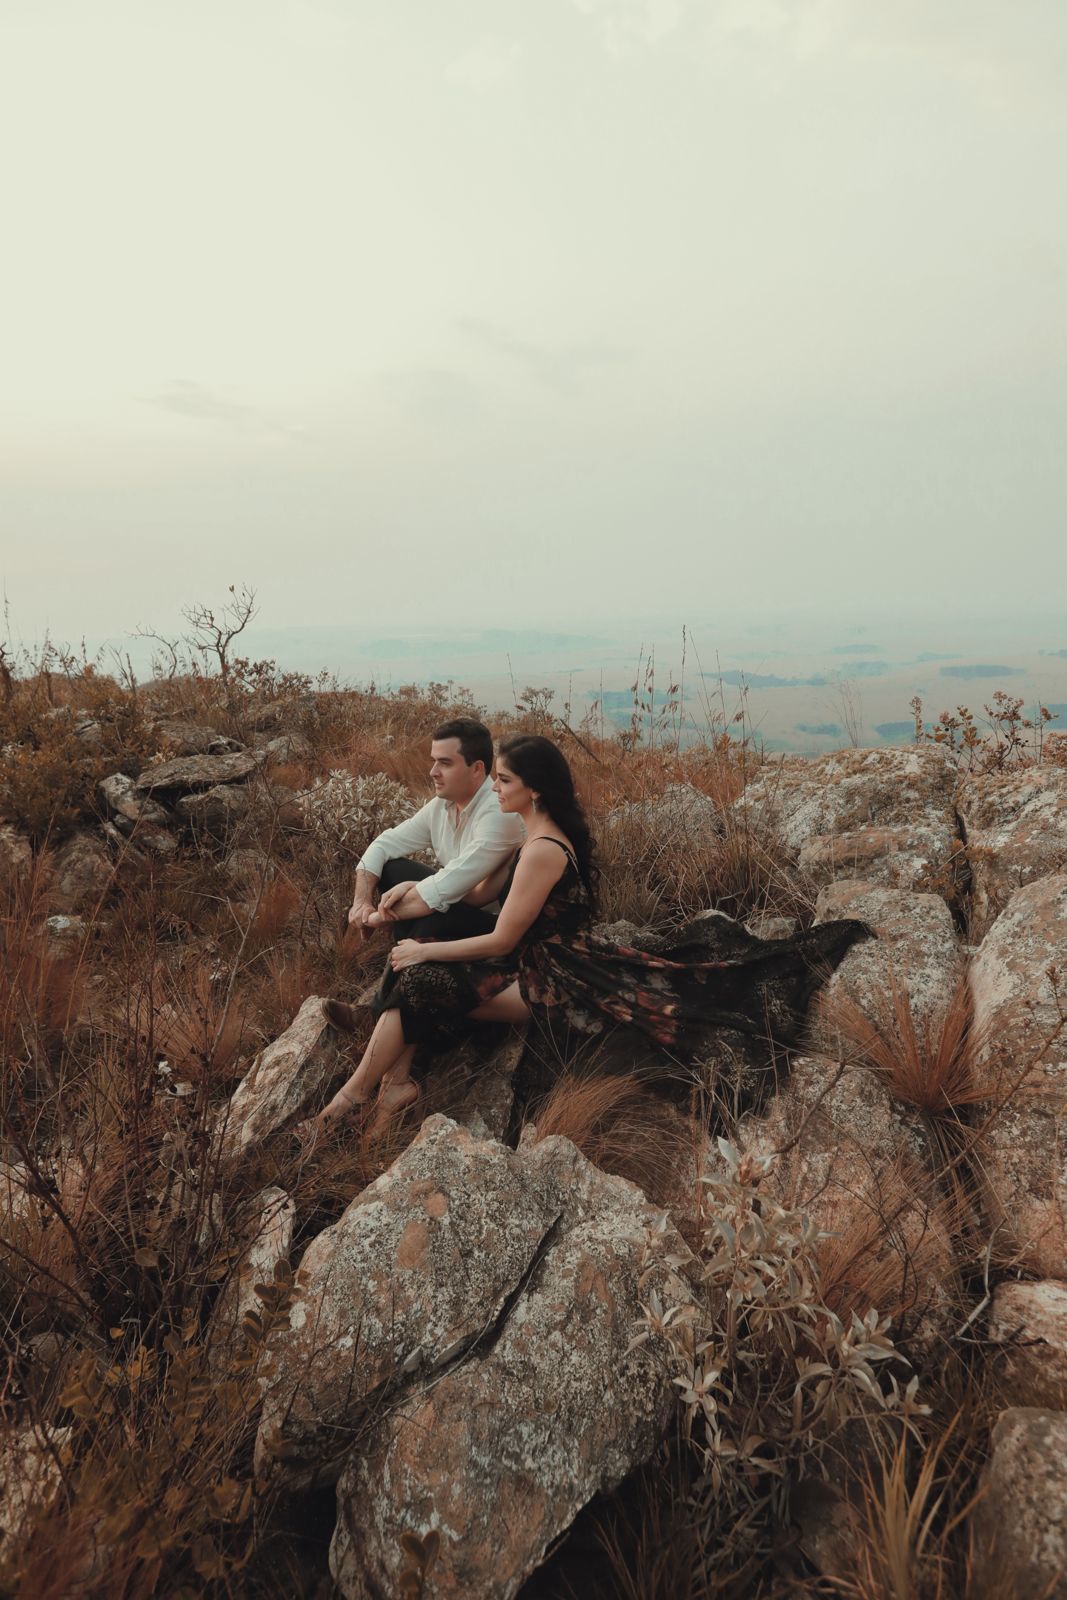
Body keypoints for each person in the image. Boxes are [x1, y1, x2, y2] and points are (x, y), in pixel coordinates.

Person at [299, 735, 871, 1144]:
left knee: (421, 975)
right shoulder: (536, 834)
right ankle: (384, 1088)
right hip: (538, 962)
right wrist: (412, 892)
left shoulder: (544, 849)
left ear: (535, 789)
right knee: (421, 965)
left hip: (550, 982)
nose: (493, 789)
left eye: (503, 780)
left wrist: (424, 948)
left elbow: (501, 936)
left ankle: (350, 1101)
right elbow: (478, 895)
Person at [343, 715, 526, 942]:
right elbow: (383, 844)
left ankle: (403, 964)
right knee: (392, 868)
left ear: (477, 769)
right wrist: (361, 902)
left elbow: (445, 889)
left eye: (445, 763)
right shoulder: (443, 804)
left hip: (494, 924)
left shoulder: (500, 813)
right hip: (455, 898)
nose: (433, 772)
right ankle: (405, 952)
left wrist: (375, 918)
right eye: (434, 761)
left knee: (432, 915)